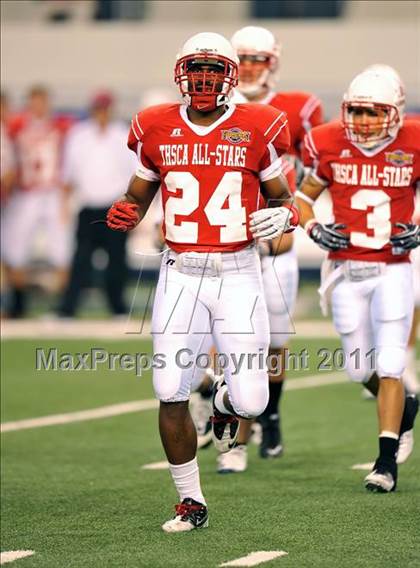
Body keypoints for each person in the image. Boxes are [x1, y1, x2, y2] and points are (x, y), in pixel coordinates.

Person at [106, 32, 298, 531]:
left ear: (231, 76)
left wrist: (284, 217)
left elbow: (284, 199)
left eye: (215, 70)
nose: (206, 79)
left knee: (250, 401)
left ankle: (222, 402)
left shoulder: (258, 125)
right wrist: (128, 211)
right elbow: (139, 190)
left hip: (239, 274)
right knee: (169, 388)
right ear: (181, 72)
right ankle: (191, 501)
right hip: (181, 273)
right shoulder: (154, 125)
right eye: (198, 69)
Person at [203, 26, 324, 473]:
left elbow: (314, 171)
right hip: (227, 240)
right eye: (243, 59)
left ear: (271, 62)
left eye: (257, 59)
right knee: (228, 342)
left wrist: (293, 216)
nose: (250, 67)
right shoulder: (211, 111)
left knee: (273, 342)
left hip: (275, 243)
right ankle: (233, 437)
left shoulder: (297, 109)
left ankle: (269, 416)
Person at [296, 69, 419, 493]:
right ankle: (408, 405)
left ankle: (385, 463)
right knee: (357, 369)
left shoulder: (413, 142)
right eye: (358, 111)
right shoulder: (329, 143)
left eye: (374, 112)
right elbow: (302, 198)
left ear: (395, 112)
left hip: (393, 269)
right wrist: (312, 228)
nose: (365, 121)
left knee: (389, 363)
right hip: (346, 271)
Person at [58, 92, 137, 317]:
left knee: (117, 261)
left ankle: (118, 308)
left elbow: (135, 173)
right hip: (88, 205)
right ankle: (68, 308)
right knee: (81, 260)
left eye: (105, 109)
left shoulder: (122, 134)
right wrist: (64, 204)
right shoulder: (79, 135)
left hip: (115, 206)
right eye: (99, 109)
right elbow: (68, 174)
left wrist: (133, 207)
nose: (102, 113)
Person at [1, 86, 73, 317]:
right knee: (15, 249)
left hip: (51, 192)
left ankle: (63, 303)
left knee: (62, 249)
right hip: (26, 193)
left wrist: (65, 195)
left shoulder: (61, 126)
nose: (39, 107)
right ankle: (18, 302)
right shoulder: (16, 126)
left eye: (42, 102)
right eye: (35, 102)